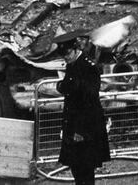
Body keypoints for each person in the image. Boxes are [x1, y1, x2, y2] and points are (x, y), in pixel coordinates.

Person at [55, 31, 111, 185]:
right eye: (63, 55)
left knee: (85, 168)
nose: (65, 57)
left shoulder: (87, 67)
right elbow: (68, 87)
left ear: (75, 48)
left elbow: (90, 100)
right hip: (73, 123)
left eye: (67, 53)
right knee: (76, 167)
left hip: (85, 127)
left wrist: (80, 130)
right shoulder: (73, 65)